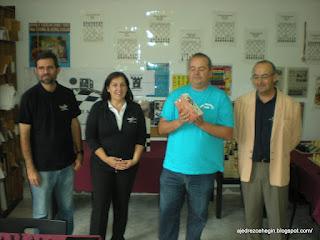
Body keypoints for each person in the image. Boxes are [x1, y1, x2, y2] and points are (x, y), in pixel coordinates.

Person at [158, 52, 234, 240]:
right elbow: (161, 128)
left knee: (198, 217)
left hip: (204, 171)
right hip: (172, 170)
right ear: (188, 72)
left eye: (201, 69)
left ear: (210, 72)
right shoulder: (176, 95)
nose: (196, 73)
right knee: (167, 215)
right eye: (192, 69)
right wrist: (179, 122)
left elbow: (228, 133)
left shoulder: (220, 98)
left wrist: (202, 124)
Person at [234, 60, 302, 240]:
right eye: (256, 77)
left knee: (277, 221)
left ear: (275, 77)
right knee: (251, 220)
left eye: (264, 76)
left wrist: (277, 151)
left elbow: (294, 138)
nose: (260, 81)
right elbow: (238, 133)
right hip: (251, 168)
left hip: (277, 167)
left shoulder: (291, 105)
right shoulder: (241, 103)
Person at [19, 51, 83, 234]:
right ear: (36, 71)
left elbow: (74, 124)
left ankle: (65, 238)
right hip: (41, 169)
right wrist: (30, 168)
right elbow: (23, 135)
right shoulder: (29, 98)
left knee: (67, 210)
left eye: (49, 67)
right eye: (41, 68)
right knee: (40, 214)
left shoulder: (67, 94)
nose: (45, 71)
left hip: (66, 166)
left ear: (57, 70)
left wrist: (80, 153)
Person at [86, 71, 147, 240]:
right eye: (114, 85)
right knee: (100, 207)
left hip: (127, 166)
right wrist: (107, 159)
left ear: (127, 88)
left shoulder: (135, 109)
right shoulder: (98, 108)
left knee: (122, 205)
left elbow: (141, 137)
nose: (118, 88)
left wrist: (134, 160)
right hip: (102, 166)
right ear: (108, 88)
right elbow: (91, 138)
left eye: (122, 84)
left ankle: (118, 237)